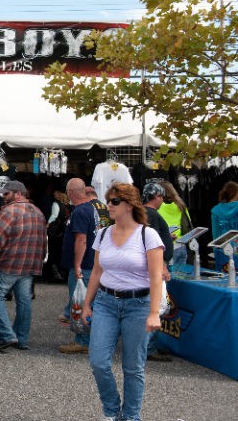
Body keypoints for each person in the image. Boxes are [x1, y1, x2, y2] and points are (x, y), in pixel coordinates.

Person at [82, 183, 164, 421]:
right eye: (108, 201)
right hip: (106, 302)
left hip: (138, 305)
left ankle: (130, 417)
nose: (109, 206)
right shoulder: (103, 233)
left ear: (129, 205)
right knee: (98, 361)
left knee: (133, 367)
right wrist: (87, 304)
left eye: (114, 202)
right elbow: (96, 272)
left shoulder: (147, 235)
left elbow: (156, 277)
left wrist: (154, 312)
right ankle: (111, 410)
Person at [0, 180, 46, 353]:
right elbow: (43, 241)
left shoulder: (9, 212)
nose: (3, 197)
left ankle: (7, 335)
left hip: (8, 263)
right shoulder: (38, 212)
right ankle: (22, 338)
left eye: (7, 193)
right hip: (29, 264)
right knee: (24, 300)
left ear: (18, 193)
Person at [58, 178, 107, 354]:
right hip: (94, 263)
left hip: (84, 265)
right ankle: (92, 339)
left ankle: (83, 342)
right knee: (92, 302)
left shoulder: (80, 211)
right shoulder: (95, 208)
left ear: (71, 192)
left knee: (81, 303)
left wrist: (77, 265)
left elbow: (81, 240)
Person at [140, 182, 174, 363]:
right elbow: (150, 244)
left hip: (152, 265)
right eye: (161, 197)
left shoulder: (144, 213)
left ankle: (146, 346)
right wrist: (162, 265)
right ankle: (148, 348)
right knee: (157, 307)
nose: (162, 200)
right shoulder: (151, 214)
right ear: (157, 197)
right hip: (155, 267)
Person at [211, 181, 238, 270]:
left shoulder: (215, 210)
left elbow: (215, 234)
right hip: (236, 248)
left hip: (222, 249)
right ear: (235, 193)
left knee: (222, 278)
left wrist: (215, 252)